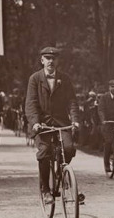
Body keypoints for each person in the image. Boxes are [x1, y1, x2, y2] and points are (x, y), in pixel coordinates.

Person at [25, 47, 80, 204]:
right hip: (42, 124)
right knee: (45, 151)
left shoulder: (65, 79)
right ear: (42, 60)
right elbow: (31, 103)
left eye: (53, 58)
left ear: (58, 61)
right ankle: (46, 190)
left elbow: (72, 101)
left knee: (69, 148)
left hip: (61, 122)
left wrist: (75, 120)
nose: (50, 61)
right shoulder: (35, 79)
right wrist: (35, 123)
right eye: (47, 58)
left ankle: (61, 173)